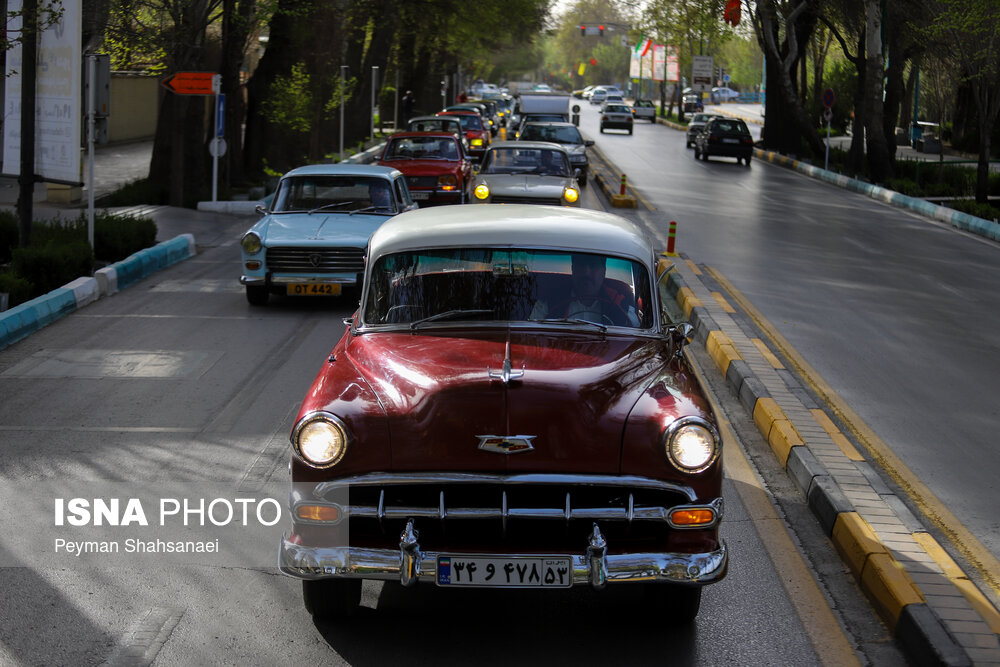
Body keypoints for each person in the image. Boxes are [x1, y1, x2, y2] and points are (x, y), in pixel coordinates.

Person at [530, 254, 639, 326]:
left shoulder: (619, 303)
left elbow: (636, 337)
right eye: (581, 265)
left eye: (593, 266)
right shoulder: (549, 302)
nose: (586, 272)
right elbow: (532, 335)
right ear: (573, 269)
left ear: (604, 272)